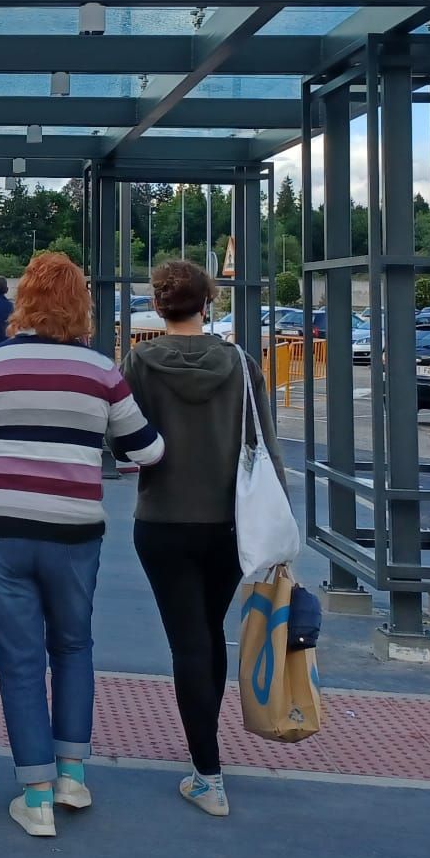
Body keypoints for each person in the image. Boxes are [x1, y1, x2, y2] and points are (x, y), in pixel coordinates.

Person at [0, 252, 165, 838]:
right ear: (79, 304)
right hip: (75, 531)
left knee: (20, 660)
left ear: (25, 301)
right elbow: (146, 450)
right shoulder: (102, 372)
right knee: (73, 646)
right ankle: (71, 775)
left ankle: (35, 797)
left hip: (3, 530)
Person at [123, 259, 285, 820]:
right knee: (210, 633)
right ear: (207, 302)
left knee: (187, 640)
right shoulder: (239, 363)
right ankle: (205, 755)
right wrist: (278, 522)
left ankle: (207, 770)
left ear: (159, 304)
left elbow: (123, 441)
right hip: (229, 523)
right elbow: (263, 441)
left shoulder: (140, 362)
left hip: (163, 519)